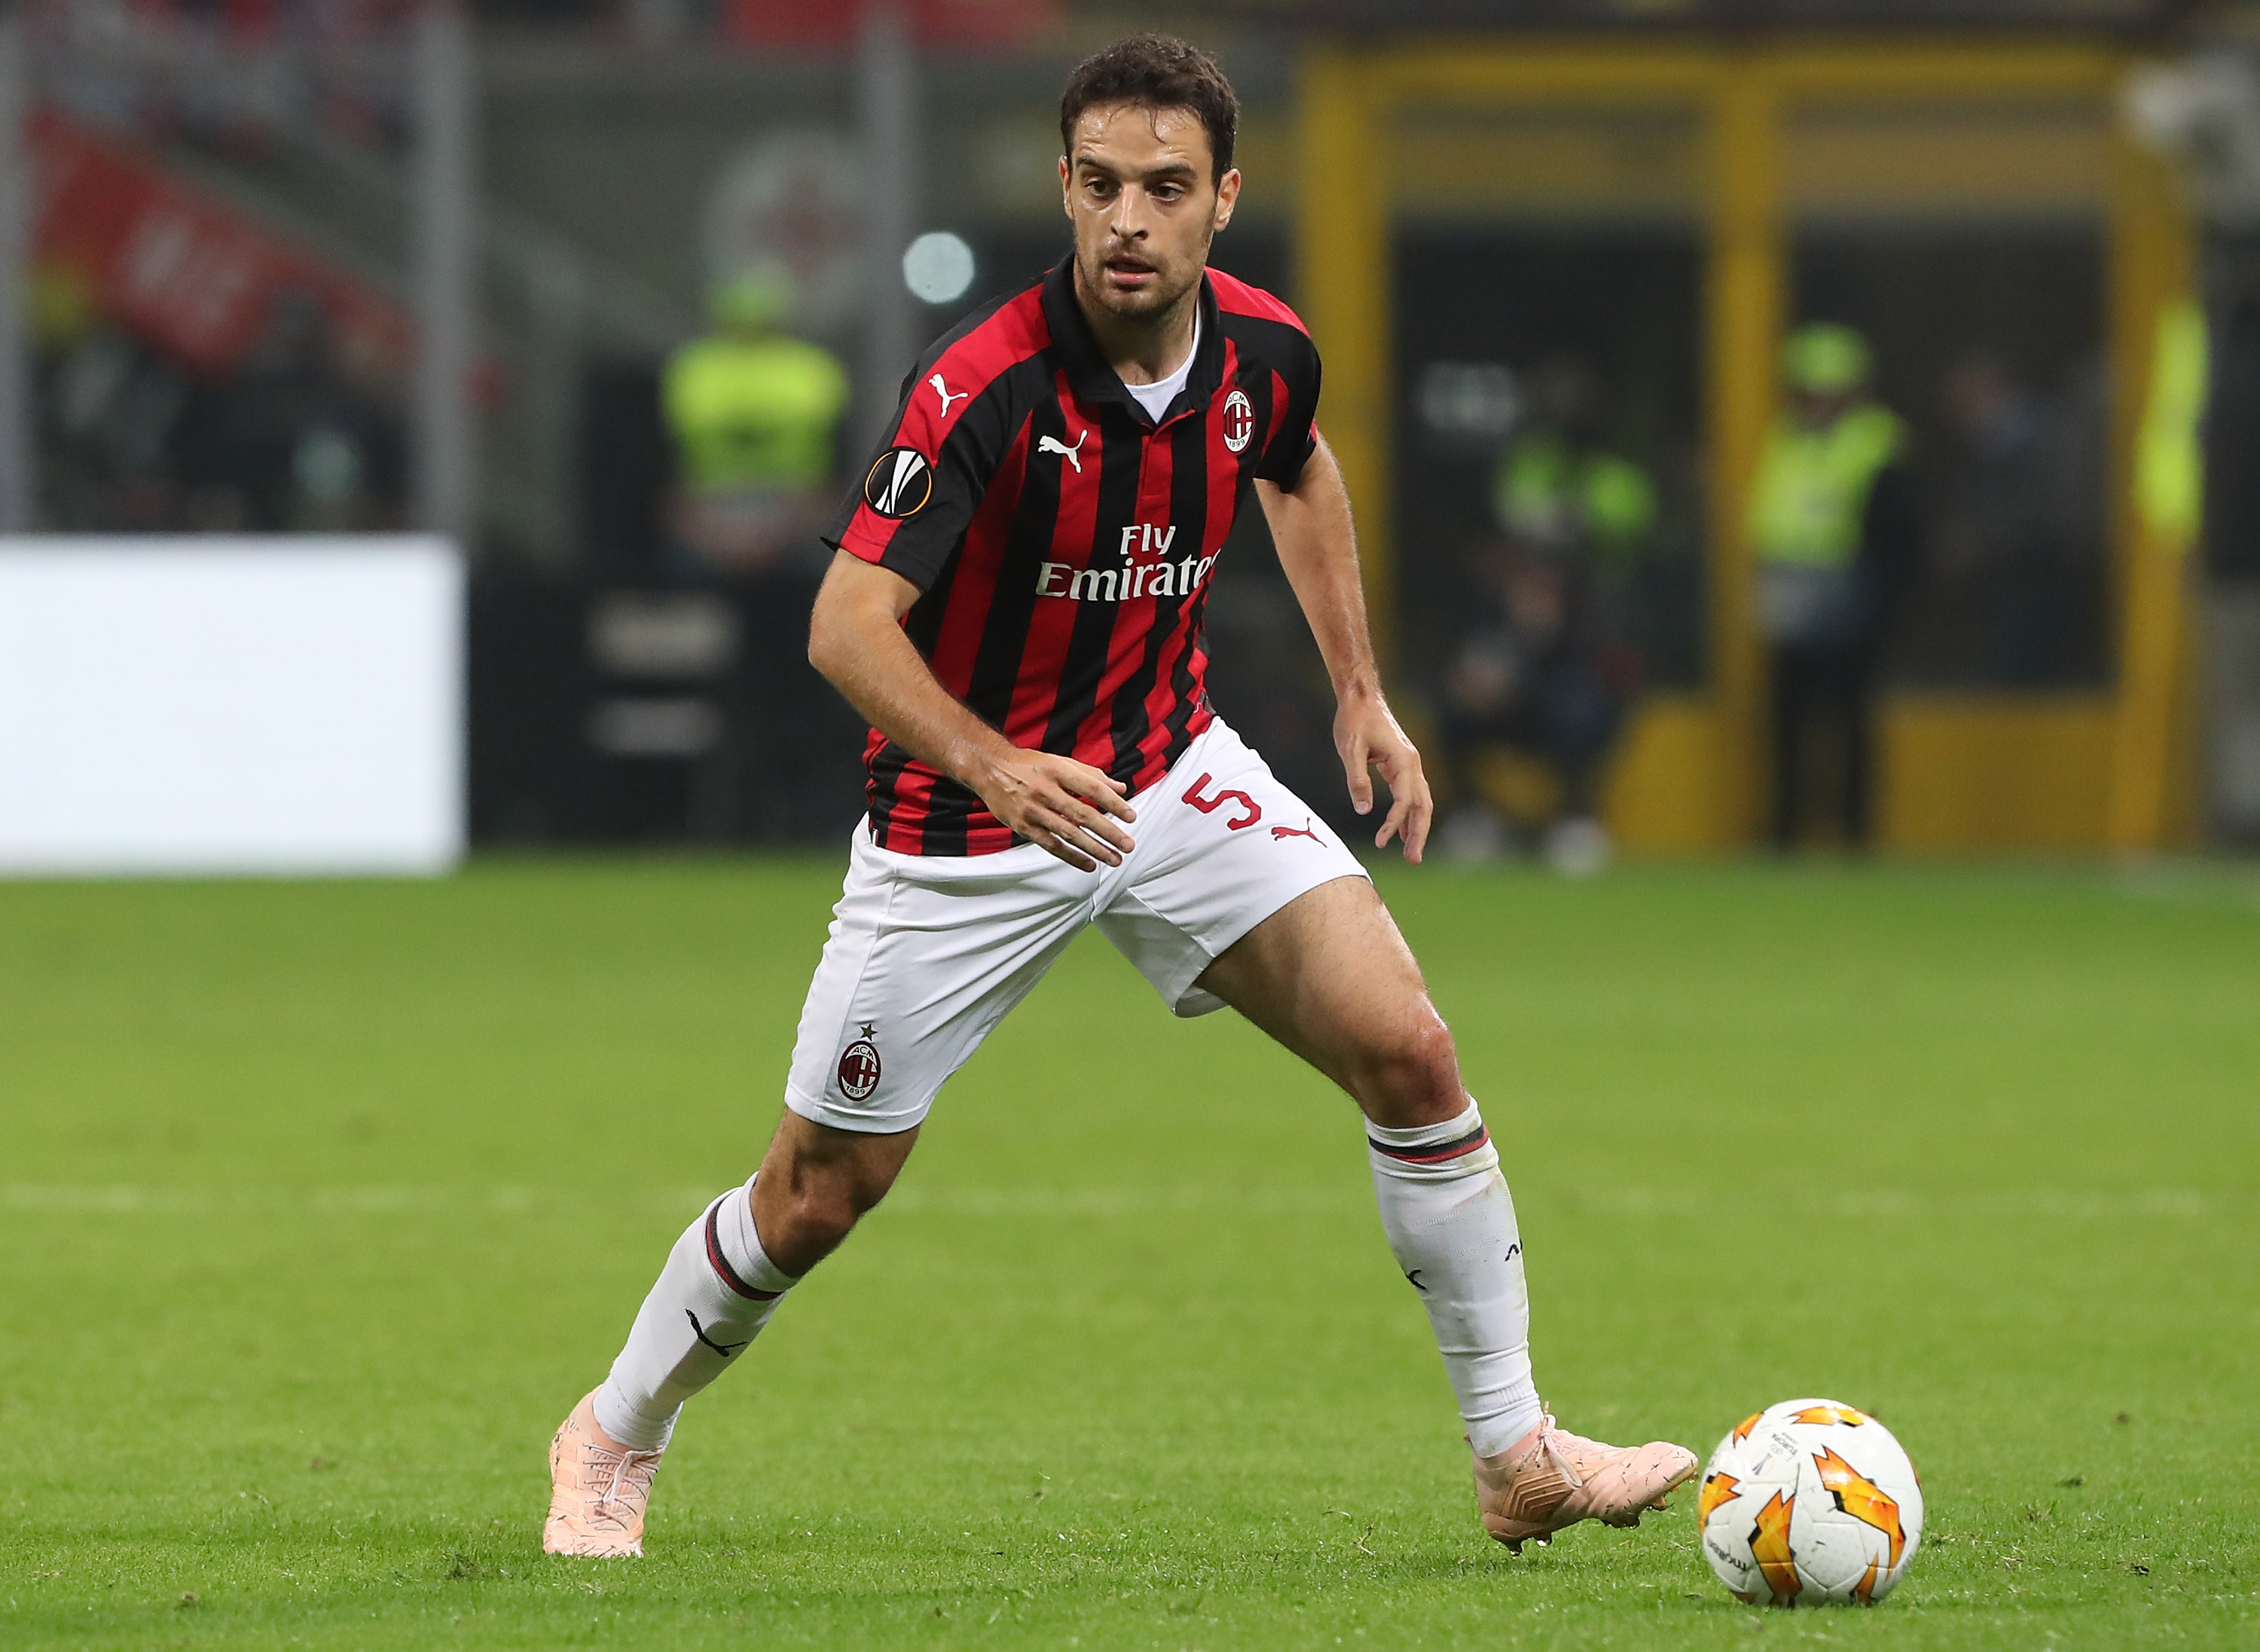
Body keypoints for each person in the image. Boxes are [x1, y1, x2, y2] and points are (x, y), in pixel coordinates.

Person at [542, 33, 1696, 1562]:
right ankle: (614, 1431)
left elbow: (1299, 467)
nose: (1129, 221)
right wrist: (994, 761)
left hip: (1168, 769)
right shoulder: (982, 389)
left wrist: (1360, 686)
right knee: (819, 1192)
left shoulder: (1264, 355)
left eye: (1164, 187)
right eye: (1100, 186)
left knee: (1411, 1051)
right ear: (1063, 189)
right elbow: (844, 622)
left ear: (1226, 195)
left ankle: (1516, 1452)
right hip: (964, 829)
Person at [1750, 322, 1916, 850]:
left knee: (1851, 721)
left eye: (1830, 390)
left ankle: (1855, 833)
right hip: (1791, 594)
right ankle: (1784, 832)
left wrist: (1882, 603)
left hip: (1852, 593)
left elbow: (1898, 530)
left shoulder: (1877, 438)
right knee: (1787, 722)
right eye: (1809, 390)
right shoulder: (1783, 437)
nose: (1819, 401)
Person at [662, 264, 850, 576]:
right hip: (710, 511)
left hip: (795, 514)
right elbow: (667, 475)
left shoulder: (813, 370)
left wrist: (775, 537)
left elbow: (835, 477)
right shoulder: (691, 370)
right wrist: (716, 534)